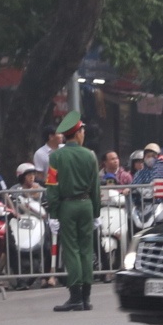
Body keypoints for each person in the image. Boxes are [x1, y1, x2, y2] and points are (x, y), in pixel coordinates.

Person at [45, 113, 101, 312]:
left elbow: (52, 187)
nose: (84, 134)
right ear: (76, 134)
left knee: (72, 250)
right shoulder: (90, 155)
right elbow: (96, 187)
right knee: (86, 250)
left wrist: (53, 214)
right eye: (83, 131)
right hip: (86, 205)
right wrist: (97, 212)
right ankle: (86, 297)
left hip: (67, 206)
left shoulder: (56, 157)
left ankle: (75, 297)